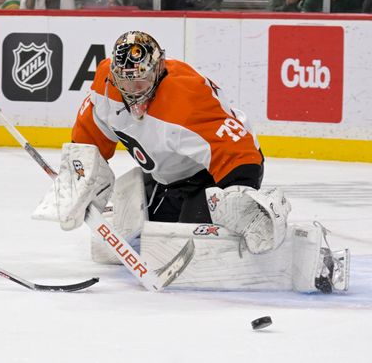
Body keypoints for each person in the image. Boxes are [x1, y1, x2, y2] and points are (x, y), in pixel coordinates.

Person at [39, 30, 348, 293]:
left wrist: (236, 199)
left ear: (158, 69)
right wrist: (79, 181)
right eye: (126, 81)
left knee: (202, 249)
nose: (133, 90)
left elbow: (239, 151)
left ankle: (304, 247)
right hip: (165, 177)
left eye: (142, 81)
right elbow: (88, 143)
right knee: (151, 241)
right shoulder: (105, 87)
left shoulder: (187, 97)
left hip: (212, 177)